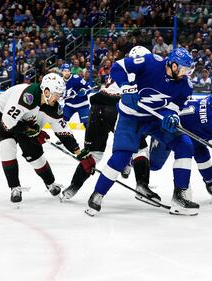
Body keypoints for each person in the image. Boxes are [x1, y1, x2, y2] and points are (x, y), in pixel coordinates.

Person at [85, 47, 199, 216]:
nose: (185, 73)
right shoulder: (150, 62)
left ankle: (179, 197)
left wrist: (171, 117)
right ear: (173, 65)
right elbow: (117, 67)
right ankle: (97, 194)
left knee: (185, 145)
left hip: (155, 119)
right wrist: (126, 86)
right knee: (121, 156)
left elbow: (173, 107)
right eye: (183, 69)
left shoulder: (185, 85)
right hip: (130, 117)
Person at [61, 46, 153, 204]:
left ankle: (73, 187)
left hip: (97, 107)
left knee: (93, 154)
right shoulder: (145, 72)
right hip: (118, 108)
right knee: (140, 148)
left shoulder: (124, 66)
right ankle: (141, 185)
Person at [0, 73, 93, 203]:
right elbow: (7, 124)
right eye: (57, 94)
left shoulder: (53, 107)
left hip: (24, 122)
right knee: (7, 147)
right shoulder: (26, 97)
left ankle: (51, 183)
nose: (58, 98)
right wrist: (29, 130)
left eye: (60, 95)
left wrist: (79, 152)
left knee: (35, 155)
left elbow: (63, 132)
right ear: (46, 91)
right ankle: (15, 187)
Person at [149, 93, 212, 196]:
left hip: (191, 131)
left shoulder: (209, 101)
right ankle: (139, 171)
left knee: (201, 152)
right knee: (154, 165)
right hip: (167, 131)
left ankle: (210, 184)